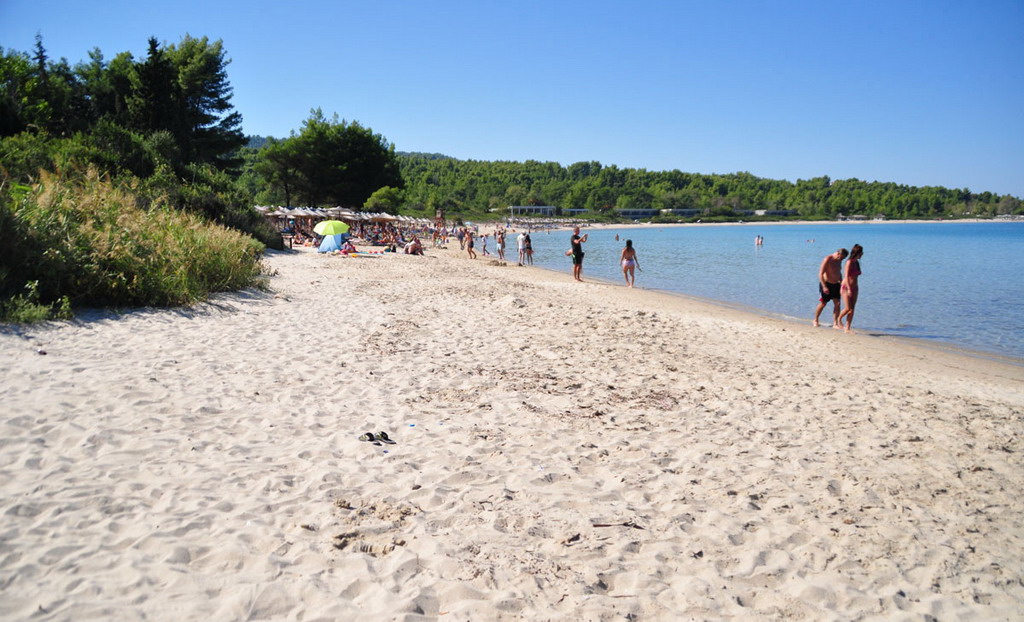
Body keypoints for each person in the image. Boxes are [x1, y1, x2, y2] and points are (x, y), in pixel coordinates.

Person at [812, 248, 849, 328]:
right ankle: (816, 320)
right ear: (838, 254)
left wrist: (842, 282)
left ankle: (835, 323)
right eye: (842, 257)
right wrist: (824, 286)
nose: (842, 259)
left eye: (844, 258)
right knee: (823, 303)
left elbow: (838, 272)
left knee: (837, 304)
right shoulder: (828, 259)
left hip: (836, 284)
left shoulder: (839, 260)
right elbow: (820, 273)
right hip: (826, 284)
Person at [837, 244, 863, 334]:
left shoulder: (857, 262)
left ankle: (847, 327)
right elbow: (846, 276)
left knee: (852, 309)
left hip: (855, 287)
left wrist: (853, 288)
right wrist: (849, 289)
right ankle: (839, 319)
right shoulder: (849, 262)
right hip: (846, 287)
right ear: (857, 253)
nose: (862, 254)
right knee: (848, 308)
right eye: (861, 253)